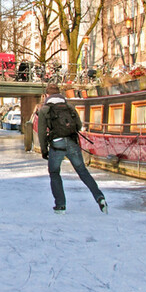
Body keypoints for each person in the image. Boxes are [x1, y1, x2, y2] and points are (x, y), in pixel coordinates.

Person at [36, 82, 107, 215]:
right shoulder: (69, 107)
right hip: (72, 142)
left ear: (47, 95)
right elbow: (78, 126)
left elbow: (41, 132)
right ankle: (100, 197)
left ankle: (60, 205)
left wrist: (44, 150)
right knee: (82, 171)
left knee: (55, 173)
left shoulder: (45, 109)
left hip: (57, 144)